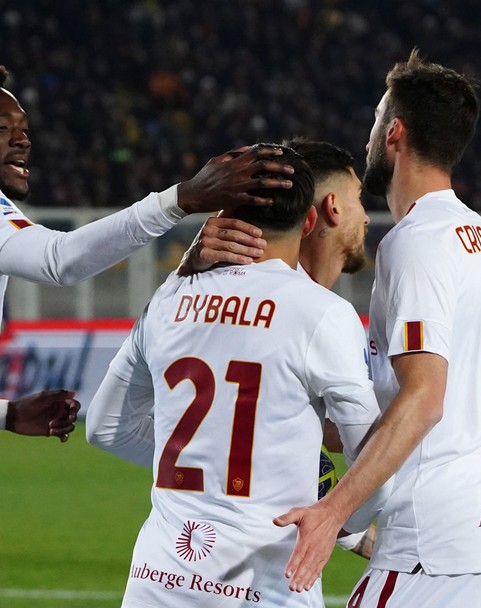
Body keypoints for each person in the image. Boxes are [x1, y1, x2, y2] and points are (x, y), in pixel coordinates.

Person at [0, 53, 294, 606]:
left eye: (23, 130)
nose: (21, 142)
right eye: (0, 129)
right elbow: (59, 260)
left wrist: (3, 412)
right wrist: (180, 199)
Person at [273, 50, 481, 606]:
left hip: (444, 543)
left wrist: (333, 512)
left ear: (395, 133)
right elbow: (432, 403)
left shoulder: (417, 240)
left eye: (375, 120)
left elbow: (425, 399)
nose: (369, 135)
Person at [85, 144, 380, 607]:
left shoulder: (170, 297)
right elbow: (374, 463)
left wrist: (212, 472)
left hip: (157, 580)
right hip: (263, 584)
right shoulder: (323, 315)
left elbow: (104, 429)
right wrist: (344, 525)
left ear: (223, 212)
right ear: (308, 222)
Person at [178, 138, 386, 557]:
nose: (367, 217)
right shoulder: (320, 315)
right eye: (360, 199)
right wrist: (345, 525)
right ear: (330, 208)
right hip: (256, 570)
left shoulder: (196, 296)